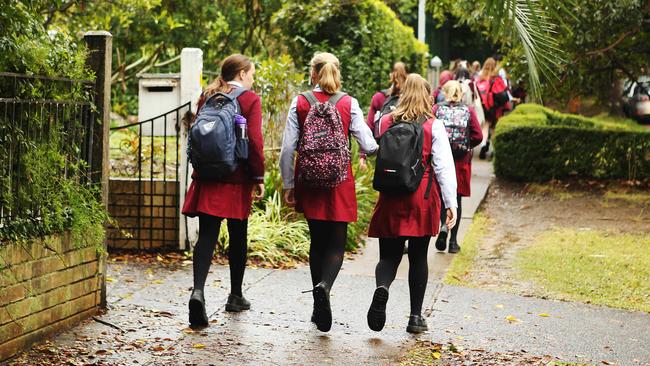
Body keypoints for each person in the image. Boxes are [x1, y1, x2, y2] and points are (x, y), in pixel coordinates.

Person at [279, 52, 378, 332]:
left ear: (313, 74)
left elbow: (288, 148)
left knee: (317, 244)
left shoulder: (300, 102)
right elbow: (368, 144)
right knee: (336, 244)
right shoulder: (349, 103)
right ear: (337, 72)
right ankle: (326, 286)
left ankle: (316, 305)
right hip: (339, 181)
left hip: (309, 181)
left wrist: (289, 184)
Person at [366, 73, 457, 334]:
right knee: (418, 257)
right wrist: (451, 204)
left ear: (403, 93)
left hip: (391, 195)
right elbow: (443, 167)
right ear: (429, 96)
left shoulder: (386, 121)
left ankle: (382, 288)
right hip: (421, 197)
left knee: (389, 256)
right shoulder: (433, 126)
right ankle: (415, 317)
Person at [182, 54, 265, 327]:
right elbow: (254, 141)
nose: (252, 78)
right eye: (251, 73)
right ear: (241, 73)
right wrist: (258, 175)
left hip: (207, 175)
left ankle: (198, 292)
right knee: (238, 234)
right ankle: (235, 295)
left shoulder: (209, 95)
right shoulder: (250, 99)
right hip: (236, 176)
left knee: (207, 234)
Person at [433, 81, 483, 253]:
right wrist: (468, 145)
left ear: (444, 92)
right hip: (461, 162)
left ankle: (442, 228)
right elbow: (479, 135)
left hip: (441, 159)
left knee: (442, 196)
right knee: (457, 199)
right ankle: (453, 242)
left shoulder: (437, 109)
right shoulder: (468, 110)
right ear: (461, 93)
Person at [361, 62, 408, 169]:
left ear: (391, 75)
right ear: (407, 75)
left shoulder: (379, 97)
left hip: (383, 150)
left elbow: (369, 127)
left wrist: (362, 155)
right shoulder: (410, 99)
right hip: (405, 153)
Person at [476, 57, 508, 160]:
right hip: (495, 108)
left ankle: (483, 144)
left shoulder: (480, 78)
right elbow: (503, 92)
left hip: (484, 108)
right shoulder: (496, 78)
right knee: (494, 129)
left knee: (485, 127)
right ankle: (494, 151)